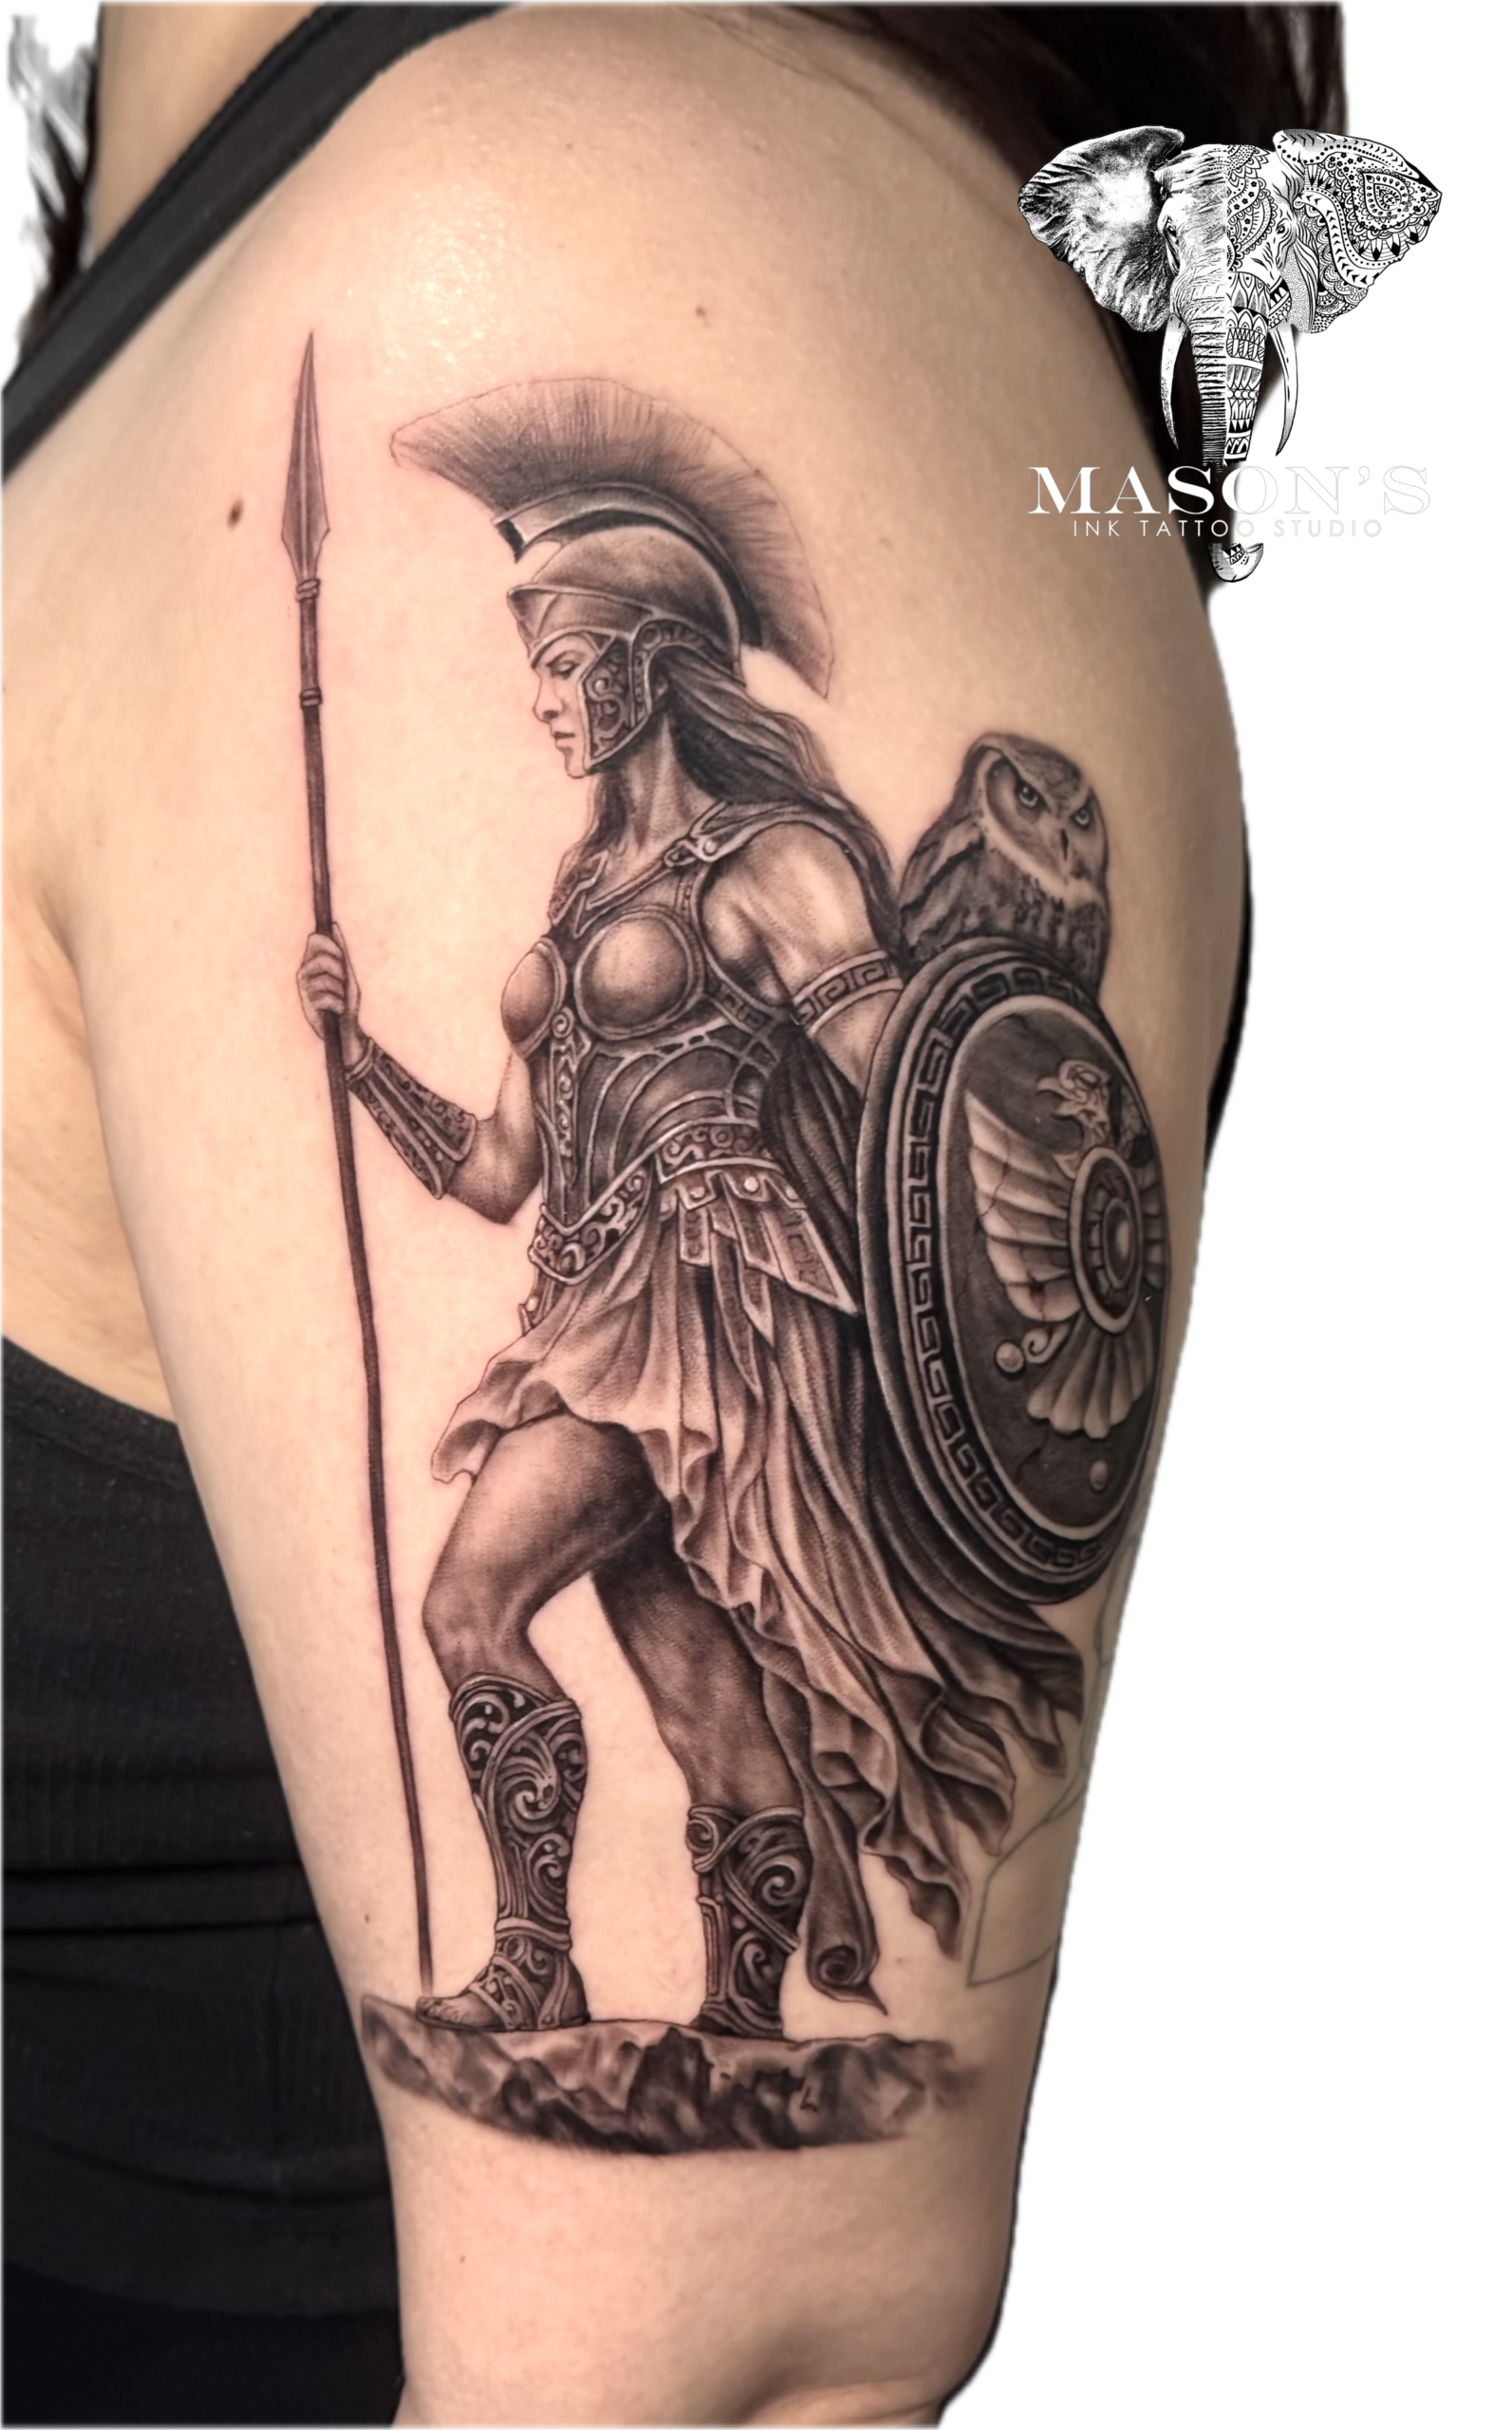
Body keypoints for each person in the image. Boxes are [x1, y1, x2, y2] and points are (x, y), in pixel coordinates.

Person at [0, 3, 1345, 2424]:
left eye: (553, 655)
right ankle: (725, 1999)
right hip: (594, 1287)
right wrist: (354, 1050)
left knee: (473, 1597)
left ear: (637, 655)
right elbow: (496, 1177)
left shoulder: (537, 225)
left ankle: (543, 1961)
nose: (525, 695)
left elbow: (723, 2384)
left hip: (712, 1307)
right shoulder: (264, 258)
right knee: (702, 1692)